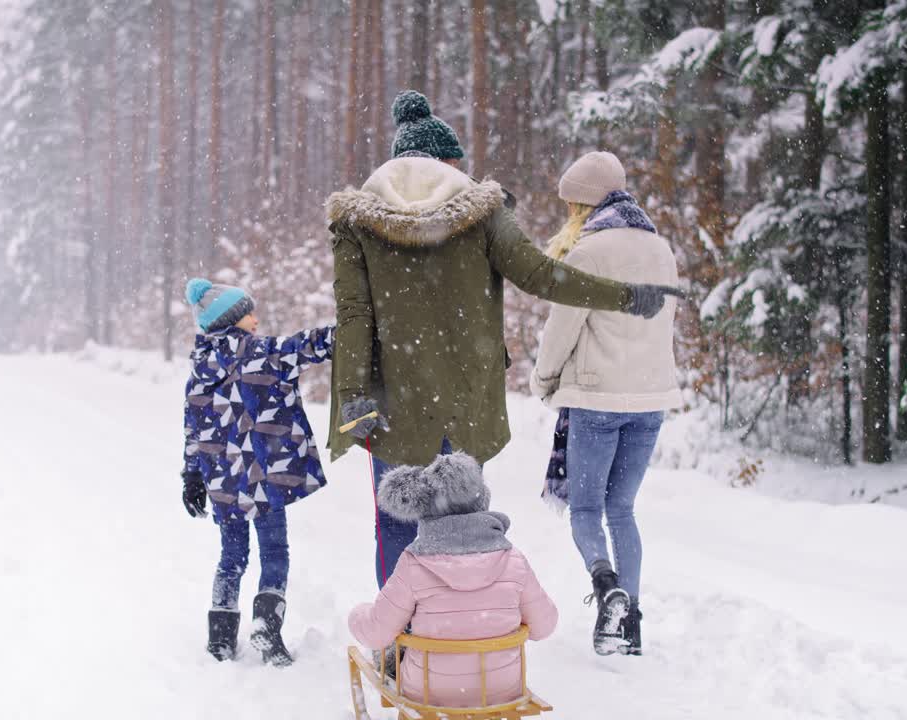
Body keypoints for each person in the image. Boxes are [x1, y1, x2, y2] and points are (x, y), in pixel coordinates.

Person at [325, 90, 682, 590]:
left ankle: (403, 640)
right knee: (464, 520)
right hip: (466, 397)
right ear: (447, 162)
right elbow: (540, 275)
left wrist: (353, 395)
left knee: (396, 521)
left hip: (393, 401)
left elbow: (354, 314)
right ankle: (465, 626)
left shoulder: (357, 220)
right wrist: (624, 296)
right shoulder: (483, 211)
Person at [530, 151, 683, 657]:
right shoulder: (662, 249)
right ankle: (630, 623)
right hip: (651, 400)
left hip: (597, 397)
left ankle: (605, 586)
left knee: (586, 509)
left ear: (583, 203)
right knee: (622, 509)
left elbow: (562, 329)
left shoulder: (589, 251)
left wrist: (545, 380)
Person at [180, 278, 335, 667]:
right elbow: (306, 345)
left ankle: (220, 639)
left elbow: (192, 430)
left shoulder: (199, 370)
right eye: (249, 312)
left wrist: (192, 477)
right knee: (275, 553)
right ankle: (266, 627)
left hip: (224, 482)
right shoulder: (261, 352)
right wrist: (348, 330)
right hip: (266, 477)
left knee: (231, 556)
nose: (255, 317)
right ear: (231, 320)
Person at [348, 453, 558, 707]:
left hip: (429, 692)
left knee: (389, 652)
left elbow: (376, 633)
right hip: (500, 690)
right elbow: (545, 625)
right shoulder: (513, 559)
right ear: (482, 501)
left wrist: (358, 614)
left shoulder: (414, 562)